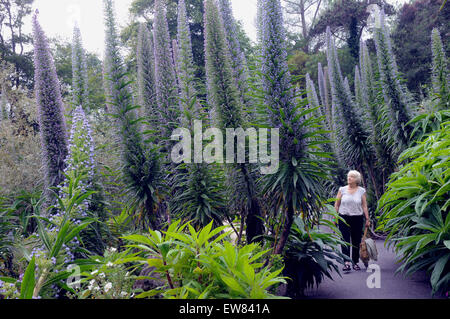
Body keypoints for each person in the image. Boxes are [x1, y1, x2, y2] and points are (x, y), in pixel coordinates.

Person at [334, 170, 371, 272]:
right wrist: (334, 217)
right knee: (344, 240)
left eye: (352, 177)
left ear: (357, 180)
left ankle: (355, 262)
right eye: (348, 176)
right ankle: (346, 263)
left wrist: (367, 218)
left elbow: (364, 205)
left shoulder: (361, 191)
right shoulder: (342, 190)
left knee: (356, 241)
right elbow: (336, 205)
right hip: (343, 217)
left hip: (357, 218)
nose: (349, 178)